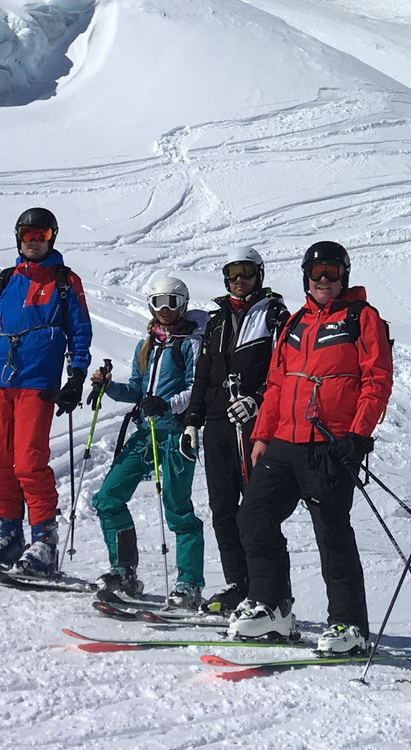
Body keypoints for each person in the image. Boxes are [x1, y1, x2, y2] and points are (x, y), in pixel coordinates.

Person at [226, 239, 393, 655]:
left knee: (332, 532)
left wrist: (358, 434)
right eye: (316, 273)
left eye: (332, 273)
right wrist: (263, 435)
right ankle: (272, 607)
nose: (323, 280)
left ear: (344, 276)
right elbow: (278, 383)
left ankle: (349, 625)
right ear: (306, 277)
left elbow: (377, 379)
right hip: (286, 440)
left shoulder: (362, 318)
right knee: (252, 516)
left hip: (330, 443)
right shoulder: (295, 322)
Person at [0, 207, 92, 574]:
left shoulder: (65, 282)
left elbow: (80, 331)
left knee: (29, 461)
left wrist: (77, 376)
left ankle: (44, 542)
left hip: (37, 378)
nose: (34, 241)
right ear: (18, 236)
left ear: (53, 237)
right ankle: (8, 534)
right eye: (28, 234)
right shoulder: (2, 282)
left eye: (43, 235)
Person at [91, 273, 208, 609]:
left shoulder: (190, 342)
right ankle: (123, 569)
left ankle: (188, 583)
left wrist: (167, 405)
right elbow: (138, 391)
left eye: (172, 302)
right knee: (108, 497)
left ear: (183, 304)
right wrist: (108, 387)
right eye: (159, 302)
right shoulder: (147, 344)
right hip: (146, 432)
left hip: (176, 433)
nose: (166, 309)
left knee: (177, 509)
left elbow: (194, 391)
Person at [182, 245, 288, 614]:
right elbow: (202, 374)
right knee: (222, 507)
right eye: (232, 273)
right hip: (216, 422)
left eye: (245, 271)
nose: (238, 279)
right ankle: (238, 585)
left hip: (253, 424)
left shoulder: (274, 315)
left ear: (259, 273)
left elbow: (283, 368)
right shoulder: (216, 320)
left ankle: (271, 592)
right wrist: (192, 419)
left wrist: (257, 400)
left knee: (256, 510)